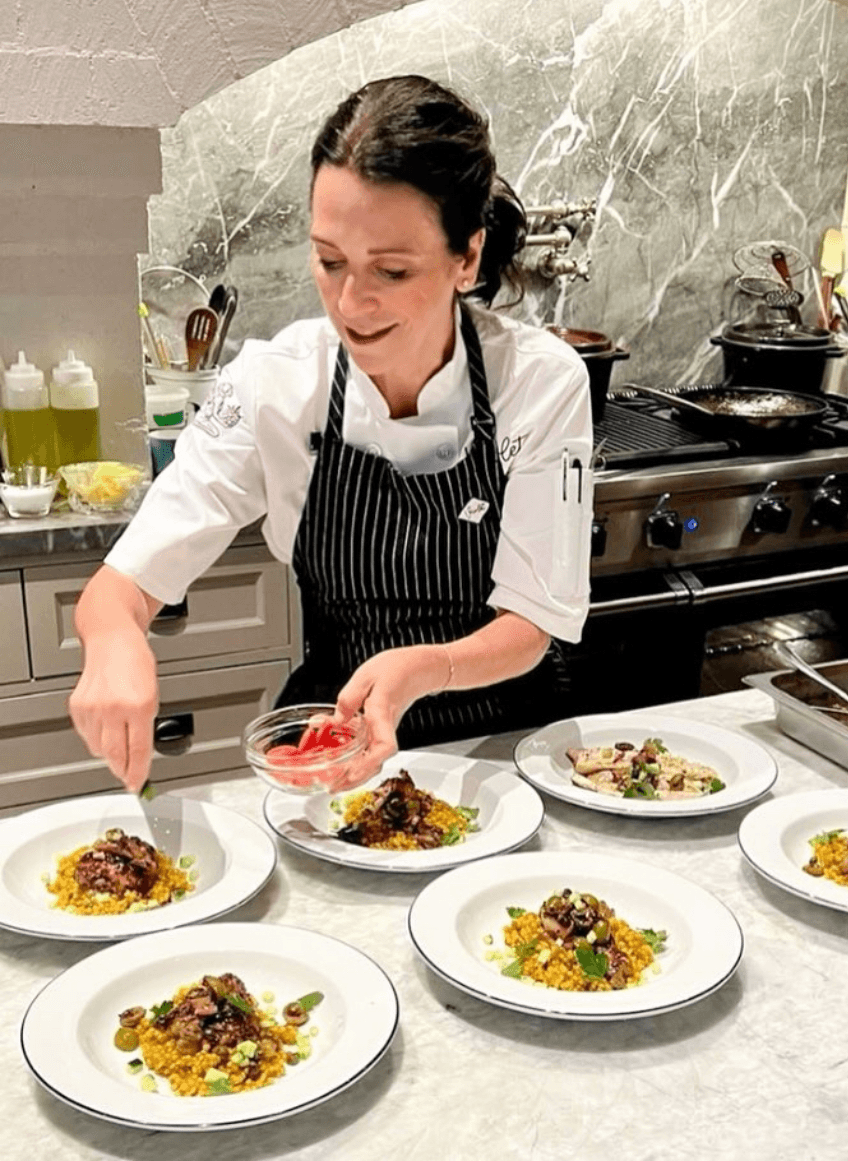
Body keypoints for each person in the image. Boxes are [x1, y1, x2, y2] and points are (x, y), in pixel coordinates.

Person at [69, 75, 593, 794]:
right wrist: (113, 639)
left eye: (392, 270)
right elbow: (121, 584)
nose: (351, 303)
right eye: (330, 260)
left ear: (467, 258)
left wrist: (424, 667)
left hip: (506, 746)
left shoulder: (538, 382)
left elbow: (532, 623)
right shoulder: (277, 385)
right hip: (338, 743)